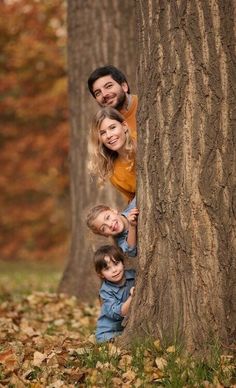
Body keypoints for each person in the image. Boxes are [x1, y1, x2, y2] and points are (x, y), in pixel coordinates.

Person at [89, 106, 136, 202]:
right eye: (102, 133)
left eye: (112, 127)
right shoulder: (114, 173)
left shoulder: (143, 140)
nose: (109, 135)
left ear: (124, 126)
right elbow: (133, 201)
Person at [94, 245, 135, 343]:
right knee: (106, 339)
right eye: (107, 269)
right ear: (101, 274)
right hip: (110, 329)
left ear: (123, 263)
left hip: (127, 326)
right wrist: (132, 297)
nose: (114, 270)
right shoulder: (105, 291)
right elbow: (118, 313)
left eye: (116, 264)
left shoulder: (133, 276)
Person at [87, 65, 138, 139]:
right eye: (98, 93)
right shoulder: (103, 127)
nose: (104, 94)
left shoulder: (144, 105)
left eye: (108, 86)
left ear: (124, 86)